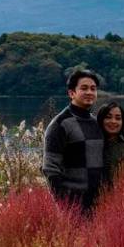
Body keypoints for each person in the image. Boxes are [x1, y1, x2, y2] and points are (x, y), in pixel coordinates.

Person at [42, 70, 105, 213]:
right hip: (74, 204)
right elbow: (50, 169)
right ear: (71, 93)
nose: (89, 92)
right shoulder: (60, 124)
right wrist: (64, 202)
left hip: (101, 202)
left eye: (93, 89)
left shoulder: (98, 123)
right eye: (84, 88)